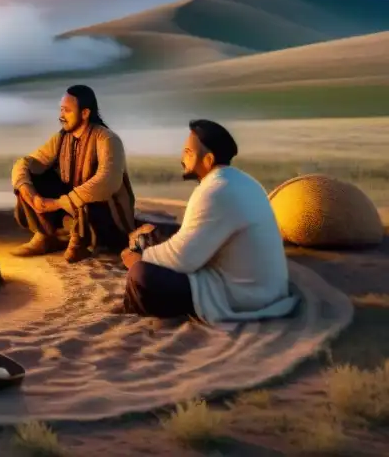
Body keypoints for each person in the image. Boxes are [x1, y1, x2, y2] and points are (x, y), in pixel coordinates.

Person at [121, 119, 298, 323]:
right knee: (162, 234)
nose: (182, 158)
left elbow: (184, 259)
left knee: (142, 274)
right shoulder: (243, 181)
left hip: (243, 296)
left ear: (208, 159)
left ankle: (134, 313)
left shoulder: (215, 191)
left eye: (188, 152)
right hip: (266, 290)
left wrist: (142, 257)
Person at [11, 84, 136, 263]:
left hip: (105, 216)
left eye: (67, 111)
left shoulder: (107, 139)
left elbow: (107, 182)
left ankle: (82, 241)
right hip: (72, 209)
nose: (61, 116)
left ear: (85, 113)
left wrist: (57, 203)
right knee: (32, 175)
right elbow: (25, 163)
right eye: (61, 110)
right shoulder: (61, 138)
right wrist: (28, 191)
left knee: (91, 198)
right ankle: (46, 236)